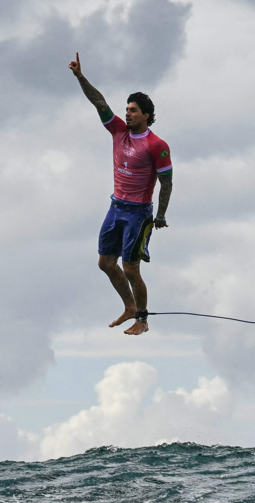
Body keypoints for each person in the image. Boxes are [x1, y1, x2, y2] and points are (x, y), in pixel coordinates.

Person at [69, 52, 173, 335]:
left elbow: (167, 182)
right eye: (127, 109)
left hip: (138, 214)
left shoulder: (157, 145)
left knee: (130, 268)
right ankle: (129, 306)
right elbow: (99, 102)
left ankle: (142, 318)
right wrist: (80, 77)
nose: (127, 113)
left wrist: (161, 215)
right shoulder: (118, 131)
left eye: (133, 110)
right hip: (116, 207)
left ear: (146, 116)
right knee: (105, 263)